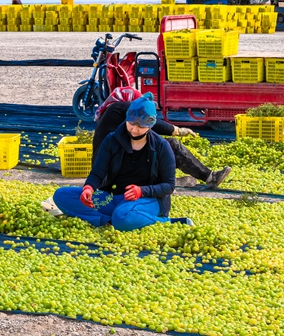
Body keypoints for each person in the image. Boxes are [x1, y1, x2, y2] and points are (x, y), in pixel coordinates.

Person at [50, 93, 187, 230]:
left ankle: (169, 222)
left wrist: (142, 191)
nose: (134, 130)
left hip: (147, 200)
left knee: (122, 215)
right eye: (132, 124)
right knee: (61, 195)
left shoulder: (161, 146)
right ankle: (110, 220)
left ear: (151, 125)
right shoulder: (111, 140)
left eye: (141, 127)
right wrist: (88, 188)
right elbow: (98, 172)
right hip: (112, 198)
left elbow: (169, 186)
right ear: (127, 118)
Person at [92, 87, 230, 189]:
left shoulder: (111, 114)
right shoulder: (122, 108)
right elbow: (151, 122)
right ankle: (208, 177)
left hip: (106, 175)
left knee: (159, 146)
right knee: (171, 146)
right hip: (113, 176)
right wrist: (176, 130)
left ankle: (172, 180)